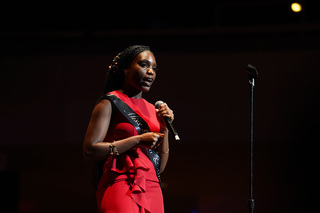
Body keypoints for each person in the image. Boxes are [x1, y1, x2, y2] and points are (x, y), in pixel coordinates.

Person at [83, 45, 174, 213]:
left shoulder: (152, 110)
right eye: (144, 65)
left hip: (152, 187)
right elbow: (90, 150)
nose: (150, 72)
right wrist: (137, 140)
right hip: (120, 182)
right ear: (125, 69)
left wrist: (164, 127)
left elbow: (159, 167)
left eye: (154, 68)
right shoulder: (110, 103)